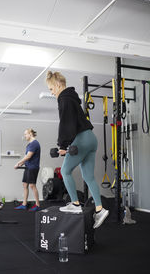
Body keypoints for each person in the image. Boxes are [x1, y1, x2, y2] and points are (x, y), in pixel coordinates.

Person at [46, 71, 109, 229]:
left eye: (51, 89)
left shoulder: (64, 98)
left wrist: (62, 146)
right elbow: (72, 121)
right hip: (91, 139)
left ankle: (75, 204)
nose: (51, 92)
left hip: (81, 138)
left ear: (58, 85)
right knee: (88, 177)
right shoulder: (72, 97)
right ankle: (100, 209)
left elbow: (66, 123)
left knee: (66, 171)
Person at [14, 129, 41, 211]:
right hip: (28, 167)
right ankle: (24, 204)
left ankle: (37, 205)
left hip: (33, 167)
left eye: (25, 134)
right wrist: (22, 163)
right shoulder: (29, 145)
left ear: (30, 134)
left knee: (32, 185)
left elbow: (28, 156)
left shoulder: (34, 143)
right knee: (25, 185)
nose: (24, 136)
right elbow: (27, 157)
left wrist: (18, 163)